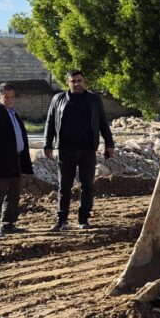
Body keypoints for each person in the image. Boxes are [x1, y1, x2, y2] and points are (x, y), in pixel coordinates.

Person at [43, 70, 115, 231]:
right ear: (67, 82)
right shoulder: (58, 99)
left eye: (79, 80)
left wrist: (109, 144)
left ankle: (83, 219)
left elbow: (103, 123)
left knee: (87, 185)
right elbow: (50, 122)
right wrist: (47, 144)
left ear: (84, 81)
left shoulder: (94, 99)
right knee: (64, 186)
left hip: (87, 149)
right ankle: (62, 220)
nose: (76, 84)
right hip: (65, 150)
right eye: (73, 81)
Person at [0, 82, 34, 238]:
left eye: (12, 97)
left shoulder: (13, 113)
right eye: (7, 97)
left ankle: (8, 225)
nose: (10, 100)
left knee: (13, 195)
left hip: (16, 160)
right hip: (1, 162)